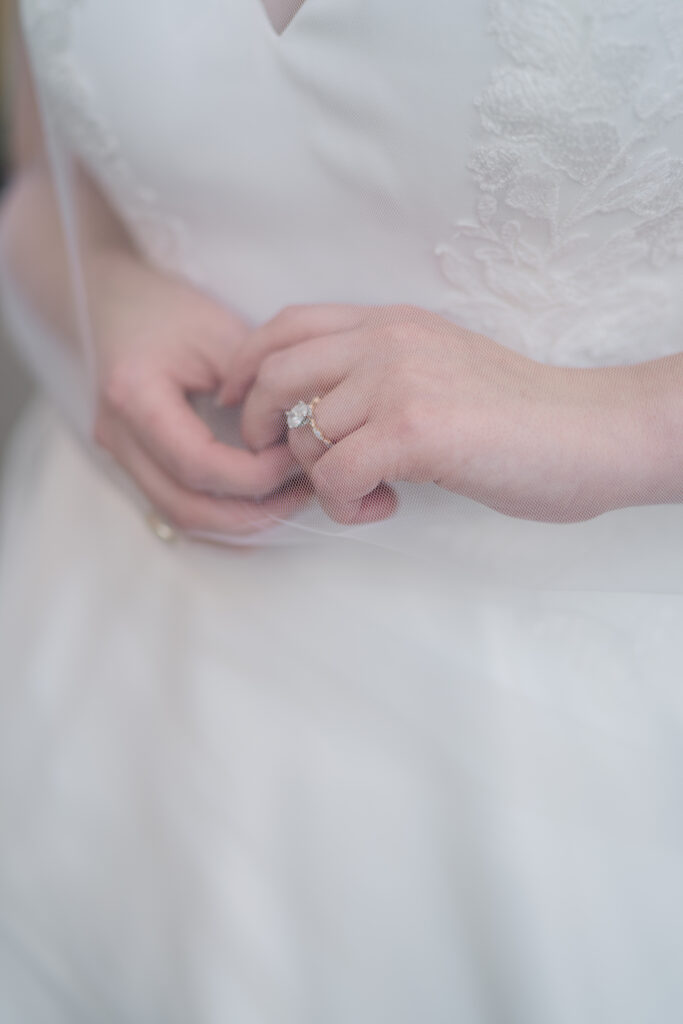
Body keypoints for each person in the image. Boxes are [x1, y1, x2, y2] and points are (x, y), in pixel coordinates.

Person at [0, 0, 682, 1020]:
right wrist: (103, 290)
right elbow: (49, 163)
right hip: (109, 682)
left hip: (567, 772)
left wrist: (607, 419)